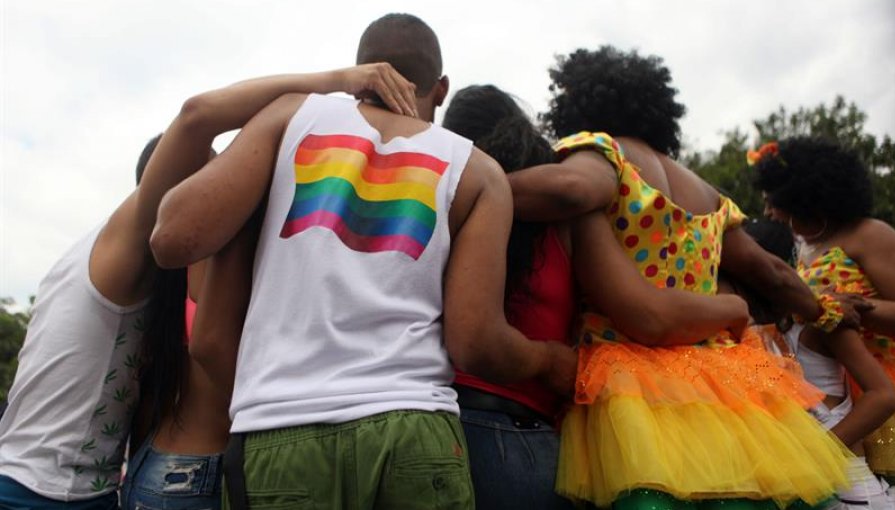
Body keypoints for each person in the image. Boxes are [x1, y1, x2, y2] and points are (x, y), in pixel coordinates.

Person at [149, 13, 577, 509]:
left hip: (280, 436)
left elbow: (171, 239)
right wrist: (548, 359)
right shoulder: (478, 172)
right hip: (416, 435)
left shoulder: (291, 117)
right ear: (440, 90)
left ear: (361, 73)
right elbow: (475, 343)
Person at [508, 45, 856, 508]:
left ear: (575, 106)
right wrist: (827, 309)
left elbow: (573, 190)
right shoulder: (706, 192)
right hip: (722, 382)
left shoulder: (603, 152)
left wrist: (468, 182)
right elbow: (770, 271)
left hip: (629, 379)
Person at [442, 84, 754, 510]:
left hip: (432, 424)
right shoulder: (571, 216)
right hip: (536, 429)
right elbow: (648, 312)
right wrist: (733, 306)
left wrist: (468, 189)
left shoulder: (441, 207)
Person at [117, 66, 416, 510]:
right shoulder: (218, 246)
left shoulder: (155, 275)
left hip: (157, 466)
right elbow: (212, 345)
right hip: (204, 473)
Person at [752, 136, 895, 484]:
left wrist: (852, 309)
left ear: (804, 200)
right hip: (844, 392)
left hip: (884, 393)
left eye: (775, 203)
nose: (770, 213)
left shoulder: (871, 234)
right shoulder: (806, 250)